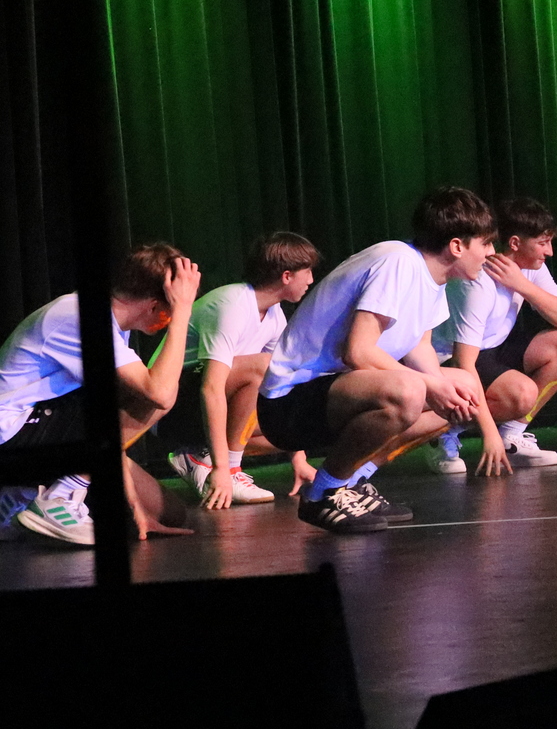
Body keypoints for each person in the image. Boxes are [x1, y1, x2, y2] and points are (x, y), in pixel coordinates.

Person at [256, 187, 496, 534]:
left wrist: (446, 391)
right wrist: (431, 386)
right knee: (409, 390)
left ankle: (352, 480)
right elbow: (358, 352)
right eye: (486, 244)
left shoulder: (434, 279)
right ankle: (323, 492)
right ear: (457, 246)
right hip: (290, 402)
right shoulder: (397, 261)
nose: (490, 253)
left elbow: (419, 348)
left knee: (463, 387)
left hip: (338, 393)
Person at [0, 244, 201, 545]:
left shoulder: (114, 327)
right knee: (155, 397)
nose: (170, 319)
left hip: (44, 433)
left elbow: (111, 423)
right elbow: (159, 394)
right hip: (12, 432)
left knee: (169, 512)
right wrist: (184, 311)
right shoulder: (80, 315)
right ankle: (60, 495)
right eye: (171, 309)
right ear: (154, 306)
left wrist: (134, 504)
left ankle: (16, 498)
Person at [163, 232, 320, 507]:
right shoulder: (232, 304)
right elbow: (211, 387)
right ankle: (230, 468)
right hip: (171, 409)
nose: (311, 279)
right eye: (307, 271)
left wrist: (299, 458)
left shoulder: (273, 313)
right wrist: (224, 470)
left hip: (205, 408)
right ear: (286, 276)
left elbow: (280, 384)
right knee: (263, 366)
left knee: (293, 427)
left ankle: (199, 456)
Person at [426, 197, 557, 474]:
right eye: (543, 243)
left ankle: (511, 437)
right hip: (449, 359)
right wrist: (488, 434)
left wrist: (522, 285)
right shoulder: (477, 280)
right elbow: (463, 362)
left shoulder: (530, 268)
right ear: (516, 243)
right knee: (521, 395)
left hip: (492, 349)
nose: (550, 251)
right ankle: (441, 431)